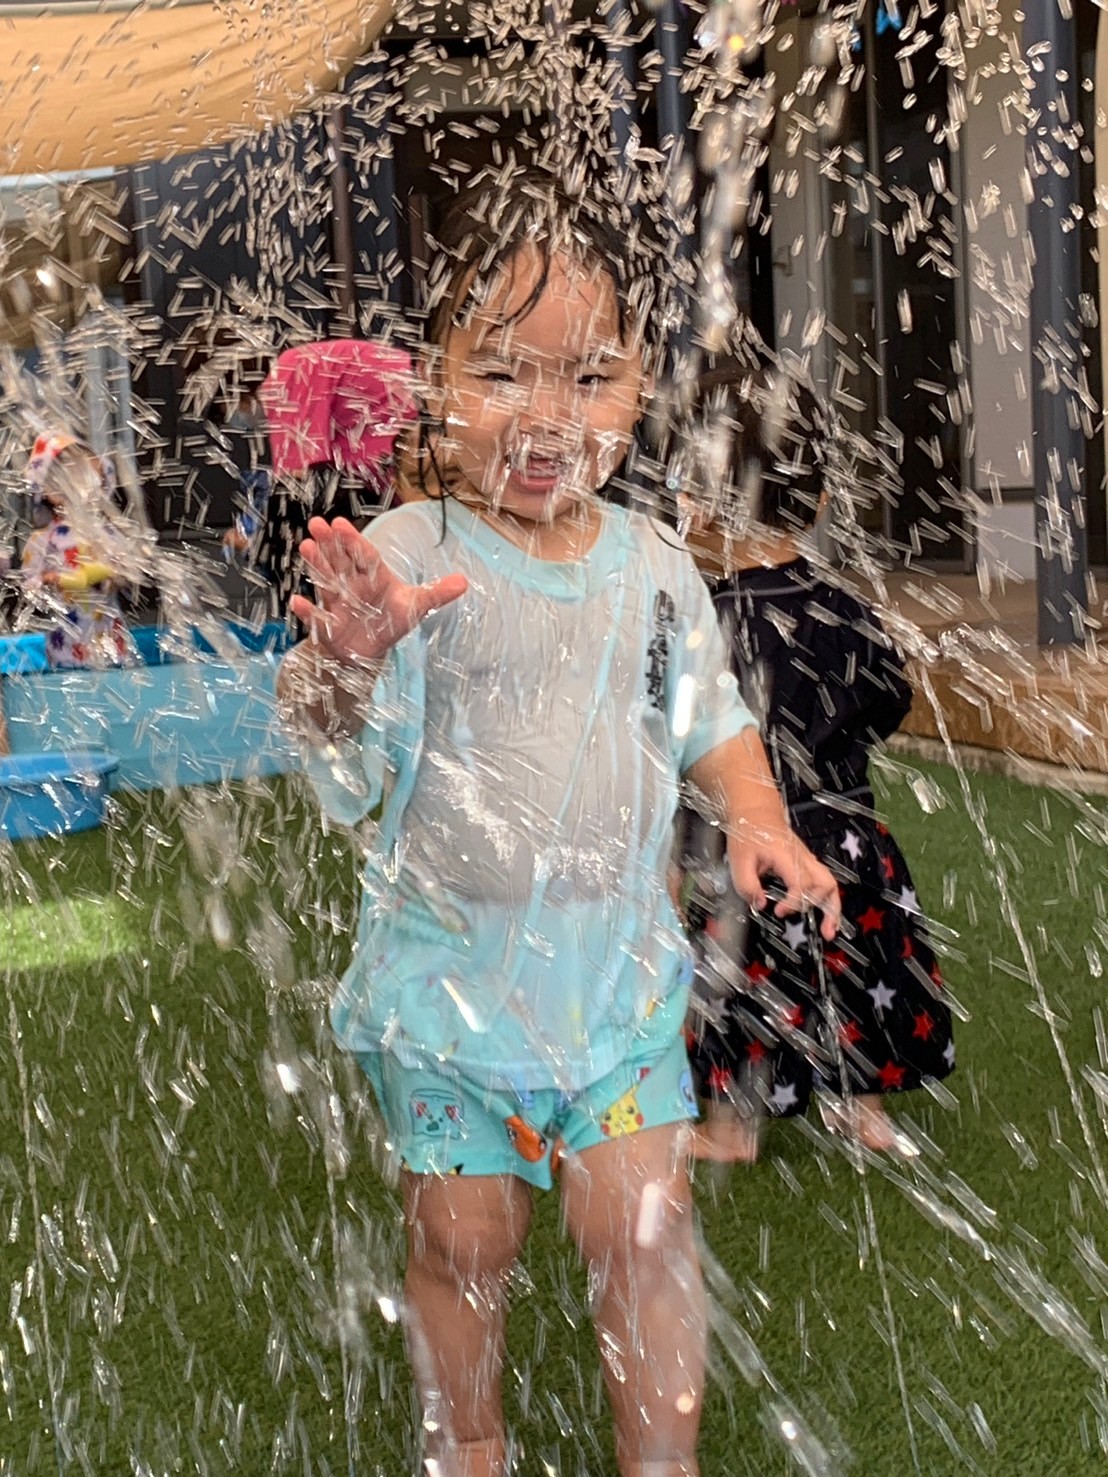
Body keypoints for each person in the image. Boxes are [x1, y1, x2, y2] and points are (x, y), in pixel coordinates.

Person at [277, 170, 840, 1477]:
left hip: (616, 991)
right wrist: (345, 666)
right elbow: (323, 739)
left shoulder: (655, 566)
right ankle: (468, 1438)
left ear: (640, 389)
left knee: (644, 1233)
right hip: (448, 998)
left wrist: (758, 817)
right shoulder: (409, 554)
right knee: (462, 1243)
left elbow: (710, 721)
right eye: (500, 375)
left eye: (590, 379)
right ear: (434, 382)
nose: (546, 419)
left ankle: (662, 1460)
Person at [678, 357, 955, 1164]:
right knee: (855, 967)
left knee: (738, 979)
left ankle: (732, 1128)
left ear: (700, 501)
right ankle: (863, 1112)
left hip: (744, 845)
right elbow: (889, 696)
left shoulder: (705, 621)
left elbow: (682, 736)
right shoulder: (844, 609)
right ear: (824, 498)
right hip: (848, 835)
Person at [20, 432, 138, 669]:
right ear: (51, 492)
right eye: (75, 476)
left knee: (117, 679)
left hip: (110, 637)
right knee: (70, 684)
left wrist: (112, 574)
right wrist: (49, 579)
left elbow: (131, 570)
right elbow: (27, 584)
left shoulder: (107, 533)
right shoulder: (43, 540)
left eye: (92, 476)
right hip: (64, 642)